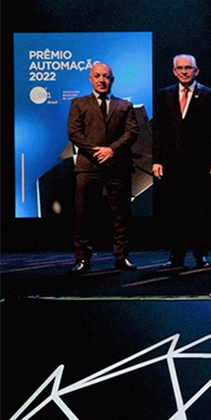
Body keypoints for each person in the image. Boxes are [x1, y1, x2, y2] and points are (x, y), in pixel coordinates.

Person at [152, 54, 211, 270]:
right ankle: (176, 256)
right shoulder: (164, 94)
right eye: (180, 68)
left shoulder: (209, 95)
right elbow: (159, 130)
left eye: (188, 68)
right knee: (175, 212)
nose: (184, 71)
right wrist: (157, 160)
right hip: (172, 163)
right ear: (174, 71)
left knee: (199, 211)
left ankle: (201, 255)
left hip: (200, 164)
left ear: (196, 71)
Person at [67, 62, 139, 273]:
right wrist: (97, 152)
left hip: (118, 166)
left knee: (121, 214)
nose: (102, 80)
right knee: (84, 215)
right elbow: (74, 133)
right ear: (90, 78)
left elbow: (132, 132)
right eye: (97, 76)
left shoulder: (124, 105)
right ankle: (82, 259)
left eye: (106, 76)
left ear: (112, 79)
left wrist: (111, 150)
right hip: (88, 167)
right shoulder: (78, 103)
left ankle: (121, 257)